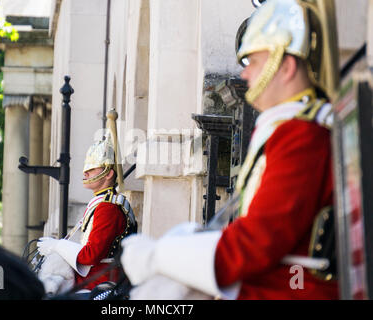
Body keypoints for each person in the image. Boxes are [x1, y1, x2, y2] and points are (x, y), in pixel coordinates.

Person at [120, 0, 340, 299]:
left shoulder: (301, 135)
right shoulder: (291, 129)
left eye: (255, 63)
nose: (245, 75)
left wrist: (161, 255)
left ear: (286, 67)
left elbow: (257, 245)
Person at [37, 110, 137, 293]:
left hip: (99, 285)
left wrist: (58, 246)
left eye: (92, 169)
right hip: (92, 280)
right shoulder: (103, 203)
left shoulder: (108, 208)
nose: (85, 173)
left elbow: (90, 256)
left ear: (109, 174)